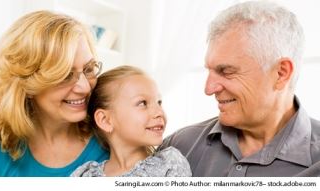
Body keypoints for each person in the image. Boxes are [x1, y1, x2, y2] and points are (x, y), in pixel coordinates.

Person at [159, 1, 320, 176]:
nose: (208, 88)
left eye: (226, 71)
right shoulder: (179, 146)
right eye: (210, 70)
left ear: (281, 73)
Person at [0, 10, 109, 176]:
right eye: (65, 75)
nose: (85, 87)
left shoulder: (112, 136)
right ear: (26, 84)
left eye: (88, 69)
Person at [71, 66, 191, 177]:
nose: (159, 112)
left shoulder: (169, 165)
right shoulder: (86, 175)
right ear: (105, 120)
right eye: (143, 103)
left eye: (159, 102)